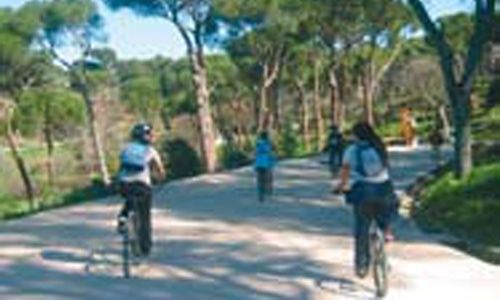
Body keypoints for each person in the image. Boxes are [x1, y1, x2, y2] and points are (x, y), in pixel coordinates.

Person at [334, 122, 398, 278]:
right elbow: (387, 168)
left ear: (356, 135)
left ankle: (362, 265)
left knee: (362, 229)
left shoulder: (351, 150)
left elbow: (345, 171)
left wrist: (340, 187)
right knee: (389, 208)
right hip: (384, 188)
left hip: (363, 191)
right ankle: (387, 230)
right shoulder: (379, 145)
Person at [116, 122, 165, 257]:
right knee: (144, 216)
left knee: (129, 199)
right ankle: (145, 248)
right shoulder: (151, 151)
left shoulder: (126, 149)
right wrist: (161, 179)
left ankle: (123, 217)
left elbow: (121, 168)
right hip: (142, 186)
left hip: (124, 185)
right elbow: (160, 170)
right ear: (147, 136)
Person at [254, 131, 275, 202]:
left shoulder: (258, 144)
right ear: (267, 136)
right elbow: (271, 154)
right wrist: (273, 163)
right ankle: (269, 191)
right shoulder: (269, 144)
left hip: (258, 164)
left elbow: (255, 154)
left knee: (260, 180)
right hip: (266, 164)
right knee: (268, 179)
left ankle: (261, 195)